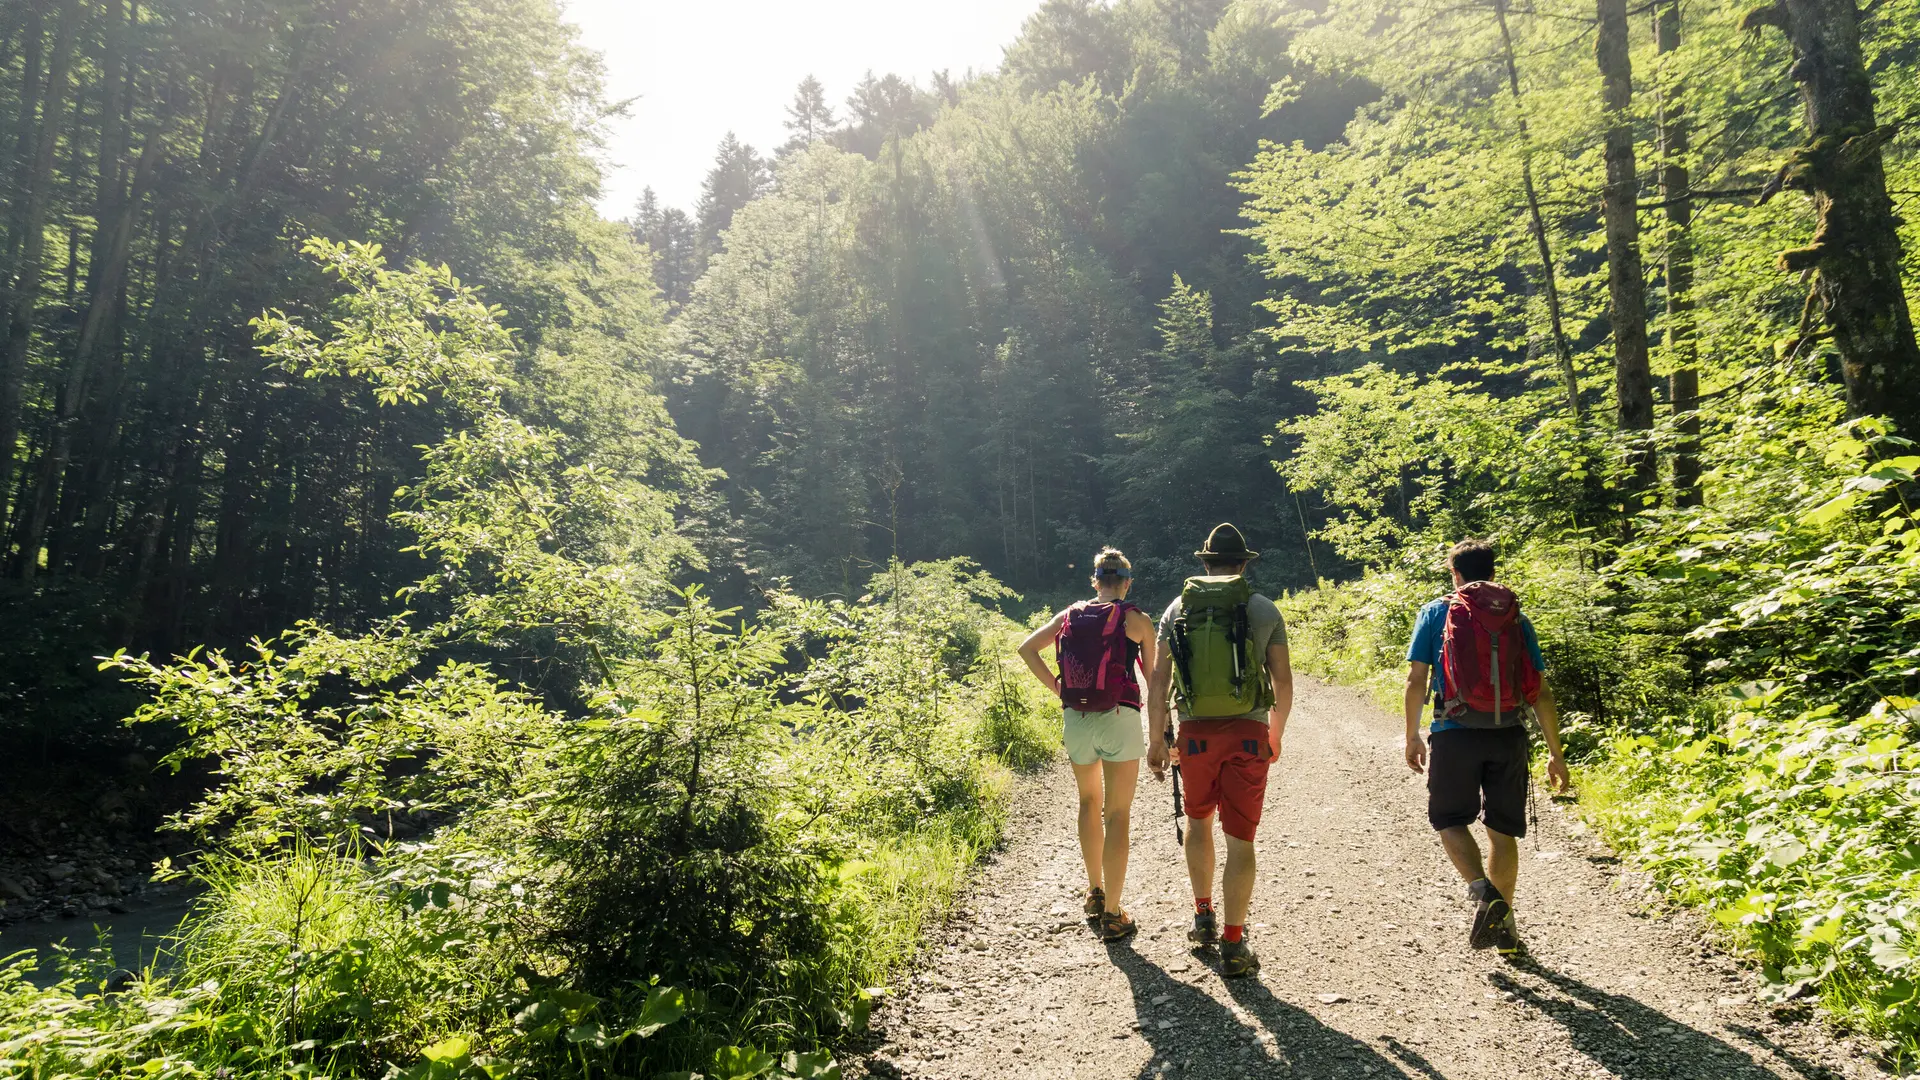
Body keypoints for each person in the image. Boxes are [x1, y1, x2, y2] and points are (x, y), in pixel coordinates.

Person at [1403, 538, 1571, 956]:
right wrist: (1556, 753)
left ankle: (1483, 894)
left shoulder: (1437, 611)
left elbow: (1416, 679)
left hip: (1453, 731)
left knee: (1448, 819)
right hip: (1509, 734)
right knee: (1502, 833)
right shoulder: (1516, 618)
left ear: (1454, 574)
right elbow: (1541, 692)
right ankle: (1507, 930)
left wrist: (1410, 734)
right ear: (1493, 574)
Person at [1146, 523, 1292, 977]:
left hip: (1194, 735)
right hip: (1248, 733)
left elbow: (1158, 682)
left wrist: (1156, 739)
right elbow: (1283, 680)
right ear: (1244, 564)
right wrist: (1276, 733)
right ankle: (1233, 944)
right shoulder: (1263, 608)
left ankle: (1203, 916)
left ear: (1204, 563)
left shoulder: (1176, 609)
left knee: (1198, 821)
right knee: (1241, 839)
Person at [1018, 547, 1157, 941]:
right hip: (1120, 718)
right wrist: (1164, 726)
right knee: (1118, 813)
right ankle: (1114, 913)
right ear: (1127, 583)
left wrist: (1058, 687)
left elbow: (1026, 648)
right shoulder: (1136, 620)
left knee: (1088, 802)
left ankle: (1094, 892)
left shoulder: (1070, 615)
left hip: (1076, 719)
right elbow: (1155, 677)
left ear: (1095, 581)